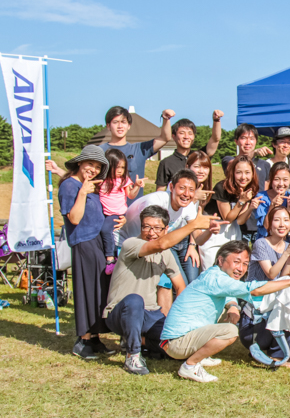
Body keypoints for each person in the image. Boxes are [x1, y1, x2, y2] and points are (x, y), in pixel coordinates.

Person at [160, 241, 290, 382]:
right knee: (230, 331)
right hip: (176, 343)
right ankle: (190, 366)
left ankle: (199, 356)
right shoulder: (217, 279)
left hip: (177, 339)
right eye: (236, 262)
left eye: (245, 264)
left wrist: (233, 306)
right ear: (220, 260)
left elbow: (225, 294)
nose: (241, 268)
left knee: (228, 322)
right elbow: (255, 290)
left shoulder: (214, 274)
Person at [103, 205, 219, 375]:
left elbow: (180, 287)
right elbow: (160, 244)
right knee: (135, 299)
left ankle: (139, 341)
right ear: (140, 227)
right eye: (147, 227)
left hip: (150, 314)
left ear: (166, 229)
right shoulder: (131, 245)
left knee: (175, 343)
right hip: (119, 313)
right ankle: (132, 355)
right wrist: (193, 226)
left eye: (157, 228)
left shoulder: (166, 255)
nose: (151, 233)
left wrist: (179, 320)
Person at [58, 145, 118, 359]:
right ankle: (82, 341)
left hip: (98, 243)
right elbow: (73, 218)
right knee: (86, 291)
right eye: (90, 164)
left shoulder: (88, 185)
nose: (93, 169)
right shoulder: (70, 186)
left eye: (97, 166)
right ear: (80, 163)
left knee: (99, 291)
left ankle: (94, 338)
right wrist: (83, 192)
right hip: (84, 242)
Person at [118, 169, 226, 289]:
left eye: (191, 190)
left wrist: (209, 231)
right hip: (125, 244)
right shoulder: (156, 202)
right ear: (171, 187)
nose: (186, 194)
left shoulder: (188, 207)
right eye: (182, 188)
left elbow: (199, 239)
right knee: (135, 287)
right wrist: (194, 225)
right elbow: (155, 239)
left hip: (150, 246)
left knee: (167, 285)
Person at [46, 106, 175, 203]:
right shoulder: (99, 151)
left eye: (123, 122)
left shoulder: (139, 148)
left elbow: (164, 138)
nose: (120, 126)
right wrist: (57, 170)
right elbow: (81, 179)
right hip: (106, 213)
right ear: (108, 126)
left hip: (134, 210)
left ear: (129, 125)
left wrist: (165, 119)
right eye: (115, 122)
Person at [98, 148, 146, 274]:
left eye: (123, 167)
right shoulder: (102, 180)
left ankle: (110, 259)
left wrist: (136, 186)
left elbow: (130, 195)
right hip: (105, 214)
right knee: (109, 234)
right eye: (117, 167)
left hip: (117, 213)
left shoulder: (123, 180)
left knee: (105, 230)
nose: (120, 171)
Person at [155, 111, 224, 190]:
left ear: (194, 137)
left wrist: (216, 120)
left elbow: (215, 139)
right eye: (182, 133)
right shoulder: (166, 163)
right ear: (173, 136)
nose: (186, 137)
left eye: (190, 133)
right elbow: (160, 192)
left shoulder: (200, 156)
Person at [246, 207, 290, 282]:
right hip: (257, 291)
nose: (282, 224)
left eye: (286, 220)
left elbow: (282, 280)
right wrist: (286, 254)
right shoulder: (261, 243)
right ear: (269, 223)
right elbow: (271, 275)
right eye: (277, 220)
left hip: (274, 292)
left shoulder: (287, 246)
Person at [255, 161, 290, 239]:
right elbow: (266, 226)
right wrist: (272, 205)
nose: (281, 184)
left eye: (285, 179)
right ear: (271, 179)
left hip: (284, 241)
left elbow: (289, 228)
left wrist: (289, 207)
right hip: (266, 241)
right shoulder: (261, 197)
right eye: (277, 179)